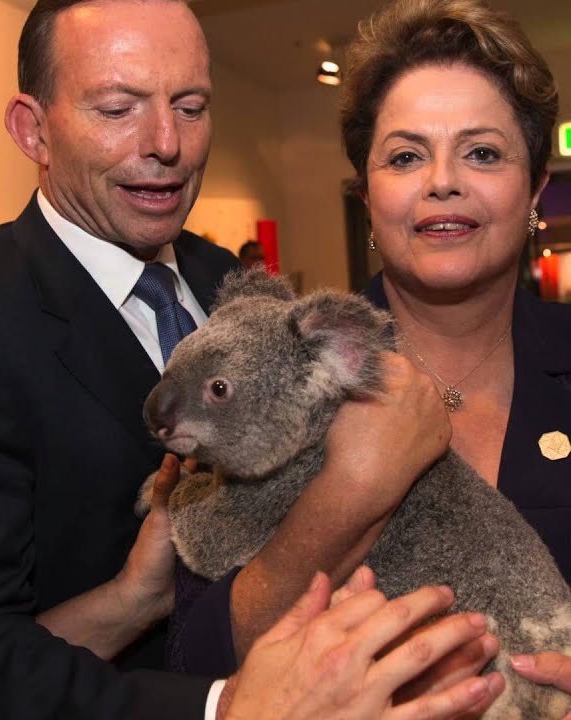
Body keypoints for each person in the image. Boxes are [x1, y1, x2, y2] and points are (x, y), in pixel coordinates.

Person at [0, 0, 504, 717]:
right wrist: (221, 707)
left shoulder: (222, 280)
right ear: (32, 130)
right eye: (117, 108)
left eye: (190, 106)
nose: (166, 142)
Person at [169, 0, 571, 699]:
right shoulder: (266, 377)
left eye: (482, 152)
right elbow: (194, 659)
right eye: (406, 155)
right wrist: (349, 493)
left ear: (535, 186)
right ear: (367, 196)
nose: (442, 181)